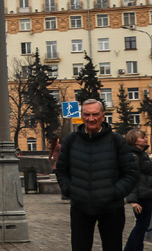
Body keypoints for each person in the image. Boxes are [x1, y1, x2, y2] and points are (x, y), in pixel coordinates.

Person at [57, 98, 139, 251]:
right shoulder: (71, 140)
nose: (91, 118)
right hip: (80, 207)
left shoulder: (117, 141)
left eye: (95, 114)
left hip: (111, 208)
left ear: (103, 116)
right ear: (81, 116)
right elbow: (61, 170)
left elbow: (130, 173)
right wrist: (70, 190)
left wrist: (114, 193)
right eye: (87, 114)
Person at [125, 129, 152, 251]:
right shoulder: (134, 156)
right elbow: (132, 179)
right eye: (142, 137)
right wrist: (133, 201)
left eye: (145, 137)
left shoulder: (142, 154)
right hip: (141, 197)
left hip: (146, 194)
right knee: (141, 225)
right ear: (134, 141)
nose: (146, 139)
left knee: (142, 225)